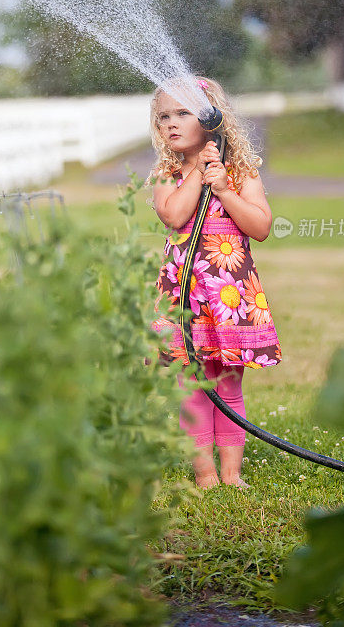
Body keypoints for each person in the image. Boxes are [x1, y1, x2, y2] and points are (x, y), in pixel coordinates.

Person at [144, 76, 282, 491]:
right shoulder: (168, 173)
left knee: (227, 383)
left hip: (228, 293)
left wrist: (224, 187)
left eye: (182, 113)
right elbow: (174, 215)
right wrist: (199, 173)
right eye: (164, 116)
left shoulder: (240, 172)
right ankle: (205, 475)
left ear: (211, 119)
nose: (171, 123)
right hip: (186, 294)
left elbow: (260, 227)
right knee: (191, 385)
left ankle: (231, 473)